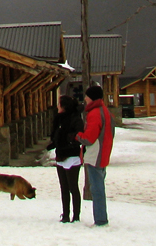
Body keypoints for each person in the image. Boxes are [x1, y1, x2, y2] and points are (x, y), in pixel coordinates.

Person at [76, 84, 114, 226]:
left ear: (92, 97)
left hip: (95, 155)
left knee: (97, 189)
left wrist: (77, 136)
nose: (85, 98)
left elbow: (89, 138)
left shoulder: (95, 113)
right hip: (103, 154)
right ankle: (101, 218)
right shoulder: (105, 111)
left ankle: (101, 220)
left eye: (87, 96)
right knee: (99, 186)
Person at [46, 94, 83, 223]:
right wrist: (54, 143)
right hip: (60, 154)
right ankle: (66, 214)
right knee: (64, 187)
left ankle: (76, 215)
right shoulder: (58, 119)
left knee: (73, 187)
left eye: (59, 104)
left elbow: (78, 134)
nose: (57, 106)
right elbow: (55, 134)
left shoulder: (75, 119)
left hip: (72, 155)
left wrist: (68, 140)